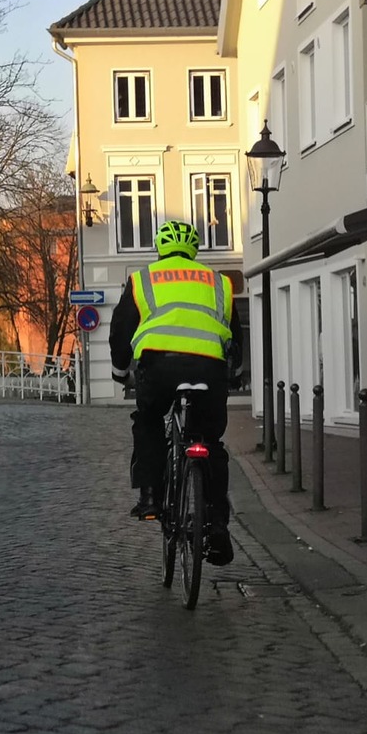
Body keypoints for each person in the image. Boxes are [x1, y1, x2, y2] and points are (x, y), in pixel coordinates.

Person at [108, 220, 243, 566]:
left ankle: (151, 496)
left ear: (160, 249)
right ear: (194, 250)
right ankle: (215, 523)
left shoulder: (143, 279)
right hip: (208, 368)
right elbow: (234, 335)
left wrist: (120, 371)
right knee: (210, 444)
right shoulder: (220, 283)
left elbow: (121, 329)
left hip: (159, 366)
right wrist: (236, 373)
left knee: (150, 420)